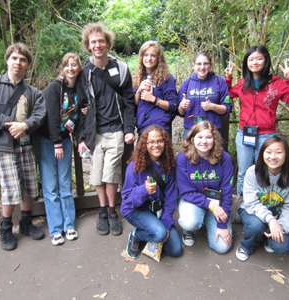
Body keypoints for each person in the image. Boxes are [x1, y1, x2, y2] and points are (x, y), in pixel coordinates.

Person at [0, 43, 46, 251]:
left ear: (27, 65)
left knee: (29, 186)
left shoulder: (33, 92)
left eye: (23, 60)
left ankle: (25, 223)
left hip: (26, 145)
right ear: (7, 60)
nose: (18, 62)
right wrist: (10, 125)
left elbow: (40, 114)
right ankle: (6, 227)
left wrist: (25, 125)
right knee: (9, 188)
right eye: (14, 58)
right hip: (3, 146)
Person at [77, 22, 135, 236]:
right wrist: (82, 137)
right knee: (97, 174)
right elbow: (80, 105)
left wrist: (129, 128)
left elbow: (129, 100)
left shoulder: (120, 68)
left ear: (108, 43)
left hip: (116, 129)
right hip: (95, 133)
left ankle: (112, 212)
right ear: (88, 46)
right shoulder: (85, 72)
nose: (98, 45)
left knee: (111, 174)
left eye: (101, 41)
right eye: (93, 42)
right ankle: (102, 211)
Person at [224, 45, 289, 196]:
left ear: (266, 61)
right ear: (246, 62)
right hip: (245, 134)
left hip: (267, 136)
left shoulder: (276, 83)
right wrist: (228, 80)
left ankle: (266, 201)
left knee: (266, 170)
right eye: (251, 59)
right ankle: (242, 204)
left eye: (259, 59)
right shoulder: (243, 83)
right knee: (243, 172)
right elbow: (226, 95)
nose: (255, 62)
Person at [38, 53, 87, 245]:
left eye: (74, 65)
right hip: (48, 141)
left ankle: (69, 225)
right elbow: (51, 117)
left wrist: (85, 110)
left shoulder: (80, 89)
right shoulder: (54, 87)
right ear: (63, 68)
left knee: (65, 185)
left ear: (79, 68)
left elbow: (80, 113)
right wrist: (56, 143)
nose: (71, 69)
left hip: (66, 139)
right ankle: (56, 229)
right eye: (67, 65)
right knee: (51, 187)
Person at [235, 135, 289, 261]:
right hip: (253, 211)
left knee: (282, 246)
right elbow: (251, 202)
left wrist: (280, 226)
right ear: (262, 153)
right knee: (255, 225)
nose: (273, 157)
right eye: (268, 152)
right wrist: (271, 220)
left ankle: (269, 236)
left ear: (286, 154)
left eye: (278, 152)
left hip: (279, 215)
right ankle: (247, 246)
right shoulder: (253, 172)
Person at [121, 125, 182, 259]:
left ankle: (153, 231)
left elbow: (171, 198)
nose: (156, 145)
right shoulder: (135, 165)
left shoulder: (169, 165)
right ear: (145, 144)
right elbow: (127, 197)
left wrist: (166, 222)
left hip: (157, 211)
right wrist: (144, 190)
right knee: (159, 234)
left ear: (165, 142)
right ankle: (136, 235)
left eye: (160, 141)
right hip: (136, 210)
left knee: (175, 250)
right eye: (151, 142)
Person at [176, 121, 233, 253]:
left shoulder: (224, 158)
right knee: (190, 222)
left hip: (217, 202)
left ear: (214, 139)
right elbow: (186, 192)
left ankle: (209, 220)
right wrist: (212, 206)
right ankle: (189, 229)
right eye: (200, 137)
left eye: (208, 137)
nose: (204, 141)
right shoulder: (182, 158)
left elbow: (227, 191)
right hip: (193, 201)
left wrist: (222, 225)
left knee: (222, 247)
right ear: (192, 139)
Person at [178, 51, 231, 140]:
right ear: (193, 65)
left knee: (214, 154)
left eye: (205, 64)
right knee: (189, 154)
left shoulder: (219, 81)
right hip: (191, 129)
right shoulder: (187, 83)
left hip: (213, 129)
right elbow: (180, 112)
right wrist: (182, 106)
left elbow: (226, 109)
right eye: (199, 64)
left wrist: (212, 106)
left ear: (210, 65)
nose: (202, 67)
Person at [133, 41, 178, 137]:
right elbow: (134, 104)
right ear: (141, 58)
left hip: (161, 127)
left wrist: (154, 99)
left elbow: (174, 105)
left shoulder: (166, 78)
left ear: (158, 58)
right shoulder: (137, 78)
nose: (149, 59)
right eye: (146, 55)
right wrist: (139, 91)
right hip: (143, 127)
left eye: (153, 56)